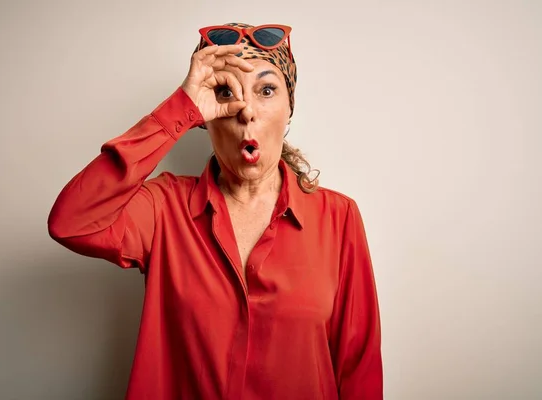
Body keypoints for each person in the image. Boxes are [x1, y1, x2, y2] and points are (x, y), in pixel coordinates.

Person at [48, 22, 383, 400]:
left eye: (267, 90)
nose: (246, 112)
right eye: (225, 92)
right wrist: (179, 110)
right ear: (204, 117)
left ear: (290, 107)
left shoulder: (339, 219)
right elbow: (71, 222)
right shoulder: (164, 210)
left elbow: (359, 371)